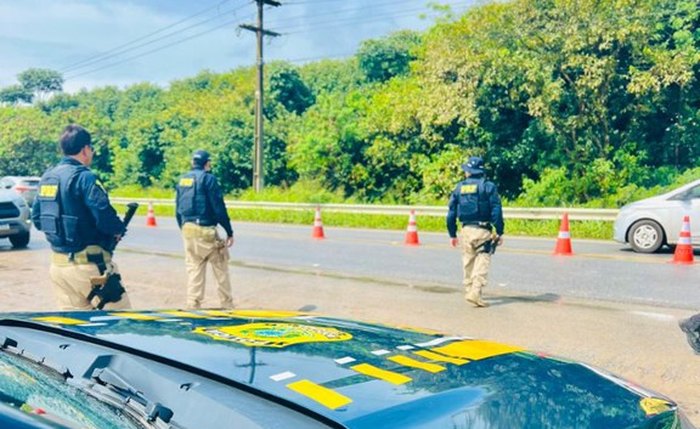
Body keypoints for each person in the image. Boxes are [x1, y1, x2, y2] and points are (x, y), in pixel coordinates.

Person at [32, 124, 131, 310]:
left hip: (59, 268)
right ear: (85, 149)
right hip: (90, 270)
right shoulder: (84, 177)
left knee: (76, 330)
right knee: (119, 324)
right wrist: (118, 230)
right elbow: (103, 212)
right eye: (91, 149)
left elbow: (37, 218)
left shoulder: (48, 178)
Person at [176, 149, 235, 309]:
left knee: (194, 269)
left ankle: (193, 306)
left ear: (192, 163)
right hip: (206, 231)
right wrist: (229, 231)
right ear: (207, 163)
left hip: (188, 231)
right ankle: (227, 306)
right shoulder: (209, 179)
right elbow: (218, 208)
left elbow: (178, 209)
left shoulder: (182, 180)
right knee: (220, 267)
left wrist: (183, 228)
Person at [446, 156, 504, 308]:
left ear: (468, 172)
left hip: (465, 230)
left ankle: (468, 289)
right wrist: (499, 231)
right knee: (482, 259)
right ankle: (475, 291)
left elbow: (451, 213)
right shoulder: (488, 186)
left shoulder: (459, 188)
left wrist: (452, 234)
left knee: (468, 261)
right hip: (482, 230)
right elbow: (496, 210)